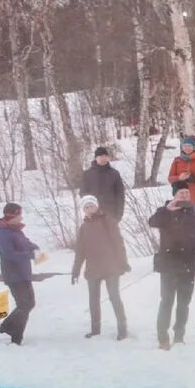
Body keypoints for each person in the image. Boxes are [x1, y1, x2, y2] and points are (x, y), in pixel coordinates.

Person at [149, 181, 195, 350]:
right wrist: (167, 210)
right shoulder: (165, 212)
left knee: (184, 303)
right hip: (168, 267)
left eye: (186, 193)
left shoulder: (194, 215)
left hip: (188, 267)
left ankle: (179, 336)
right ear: (174, 195)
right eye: (181, 193)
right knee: (166, 301)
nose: (184, 195)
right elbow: (152, 222)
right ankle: (163, 337)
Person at [71, 195, 129, 341]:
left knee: (114, 297)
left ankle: (122, 329)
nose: (90, 209)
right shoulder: (83, 228)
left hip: (111, 267)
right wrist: (76, 270)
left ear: (97, 206)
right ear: (83, 210)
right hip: (93, 269)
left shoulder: (108, 221)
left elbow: (118, 243)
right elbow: (80, 251)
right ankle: (95, 329)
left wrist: (123, 262)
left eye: (91, 206)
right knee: (93, 300)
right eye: (86, 207)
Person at [0, 202, 41, 346]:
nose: (21, 217)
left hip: (23, 273)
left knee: (28, 303)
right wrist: (30, 255)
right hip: (13, 274)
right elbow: (9, 254)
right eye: (19, 214)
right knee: (24, 304)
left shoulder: (16, 230)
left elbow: (26, 243)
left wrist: (35, 248)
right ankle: (15, 337)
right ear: (11, 216)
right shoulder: (2, 233)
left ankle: (7, 327)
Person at [168, 136, 195, 217]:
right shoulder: (177, 160)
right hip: (181, 198)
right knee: (181, 224)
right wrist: (179, 178)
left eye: (189, 146)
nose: (187, 148)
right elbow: (170, 178)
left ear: (194, 147)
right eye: (185, 146)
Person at [81, 146, 126, 221]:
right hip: (93, 215)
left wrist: (119, 215)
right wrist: (90, 209)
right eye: (101, 156)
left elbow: (120, 195)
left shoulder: (114, 173)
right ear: (96, 158)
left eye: (106, 156)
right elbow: (83, 194)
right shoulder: (87, 174)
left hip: (111, 214)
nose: (104, 158)